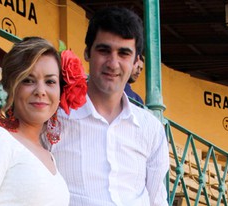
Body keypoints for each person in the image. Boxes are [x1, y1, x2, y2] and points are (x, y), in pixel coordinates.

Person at [49, 7, 169, 206]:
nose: (113, 63)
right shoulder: (57, 116)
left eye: (124, 53)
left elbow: (157, 200)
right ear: (87, 52)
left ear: (136, 61)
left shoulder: (150, 129)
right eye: (104, 50)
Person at [0, 37, 70, 206]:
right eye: (28, 80)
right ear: (12, 87)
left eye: (50, 82)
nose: (41, 91)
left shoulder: (49, 156)